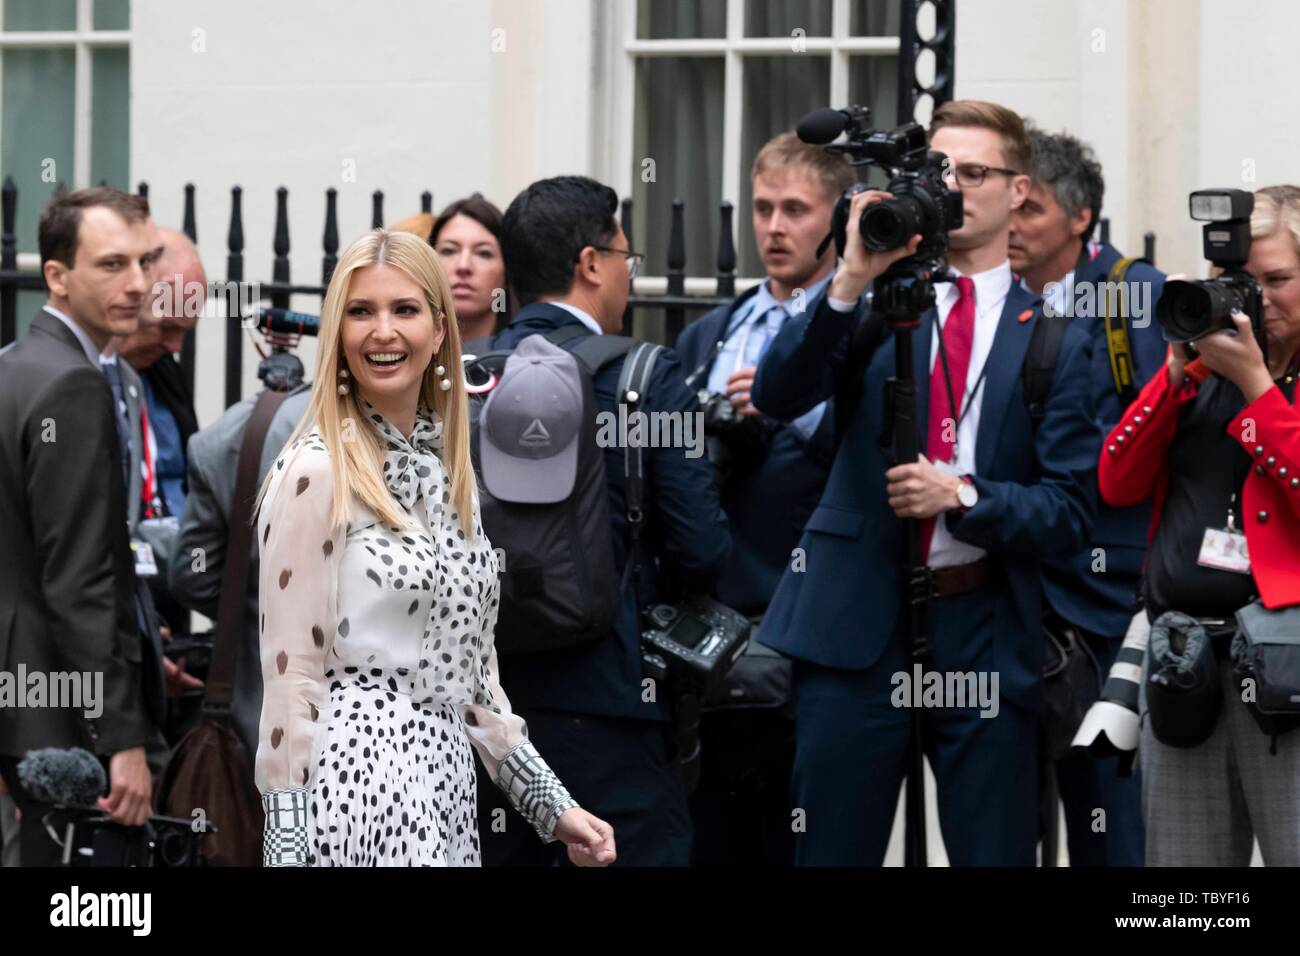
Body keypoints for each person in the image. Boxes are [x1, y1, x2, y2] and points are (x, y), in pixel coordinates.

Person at [752, 100, 1100, 866]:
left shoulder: (1057, 337)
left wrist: (966, 497)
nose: (954, 188)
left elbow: (1072, 514)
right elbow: (777, 396)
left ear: (1019, 191)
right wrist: (846, 279)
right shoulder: (874, 305)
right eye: (941, 171)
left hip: (982, 631)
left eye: (975, 172)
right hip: (855, 626)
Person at [255, 227, 615, 866]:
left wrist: (554, 808)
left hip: (444, 789)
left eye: (405, 310)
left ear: (441, 330)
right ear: (337, 333)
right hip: (350, 789)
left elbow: (477, 683)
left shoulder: (449, 477)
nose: (382, 332)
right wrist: (285, 844)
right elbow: (291, 676)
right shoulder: (315, 471)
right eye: (360, 312)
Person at [477, 175, 730, 866]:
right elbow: (700, 546)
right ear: (591, 264)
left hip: (485, 709)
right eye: (627, 257)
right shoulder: (648, 376)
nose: (629, 274)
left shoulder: (465, 374)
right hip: (614, 702)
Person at [1099, 184, 1300, 866]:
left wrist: (1259, 391)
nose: (1260, 300)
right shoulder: (1202, 370)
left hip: (1288, 674)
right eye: (1245, 282)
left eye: (1279, 280)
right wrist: (1175, 377)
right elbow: (1116, 481)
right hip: (1186, 664)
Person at [675, 131, 854, 865]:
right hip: (712, 619)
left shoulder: (862, 328)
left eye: (795, 210)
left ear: (839, 218)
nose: (774, 228)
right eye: (761, 208)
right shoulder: (712, 333)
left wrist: (788, 407)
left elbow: (874, 455)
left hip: (812, 617)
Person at [1010, 128, 1165, 866]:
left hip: (1106, 605)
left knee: (1112, 824)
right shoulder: (986, 297)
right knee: (1008, 824)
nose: (1011, 226)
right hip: (1012, 599)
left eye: (1030, 210)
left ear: (1080, 219)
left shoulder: (1137, 295)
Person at [0, 187, 162, 864]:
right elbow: (79, 581)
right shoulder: (72, 383)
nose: (136, 285)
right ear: (58, 277)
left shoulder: (15, 367)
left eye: (144, 263)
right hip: (65, 723)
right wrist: (119, 738)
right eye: (111, 265)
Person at [170, 383, 311, 757]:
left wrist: (258, 608)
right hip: (418, 742)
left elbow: (194, 576)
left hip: (267, 723)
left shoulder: (233, 434)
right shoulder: (446, 418)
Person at [430, 193, 514, 342]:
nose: (463, 266)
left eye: (484, 254)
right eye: (449, 251)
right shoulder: (407, 358)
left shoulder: (526, 357)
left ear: (507, 272)